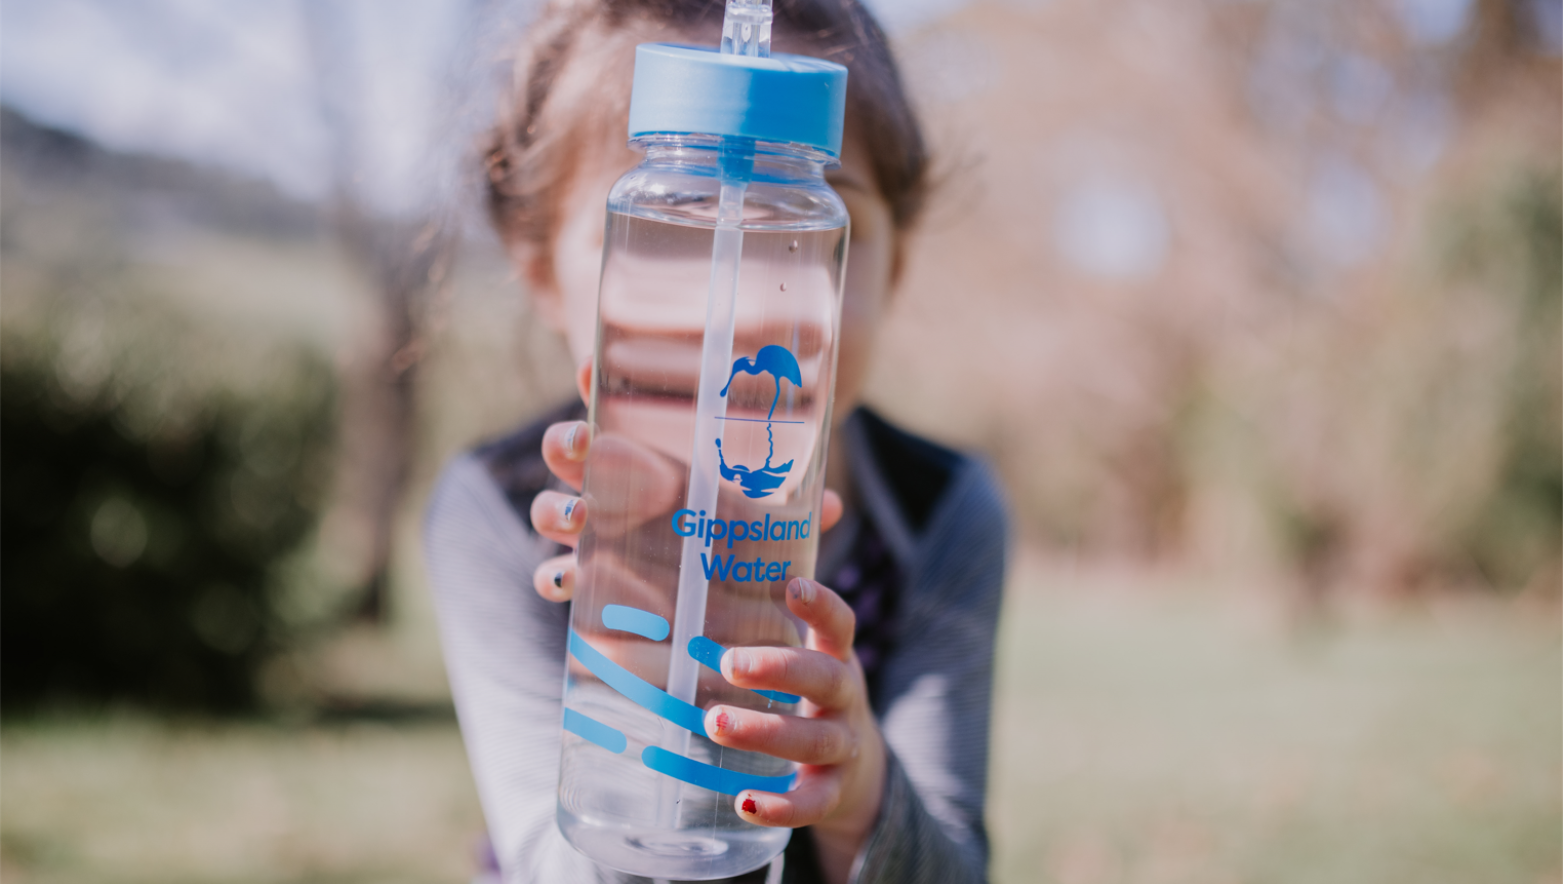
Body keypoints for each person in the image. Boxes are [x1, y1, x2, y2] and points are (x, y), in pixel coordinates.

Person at [424, 1, 1007, 881]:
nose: (732, 314)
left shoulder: (939, 517)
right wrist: (647, 681)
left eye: (798, 231)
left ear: (892, 265)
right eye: (673, 228)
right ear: (541, 271)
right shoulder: (501, 515)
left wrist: (859, 785)